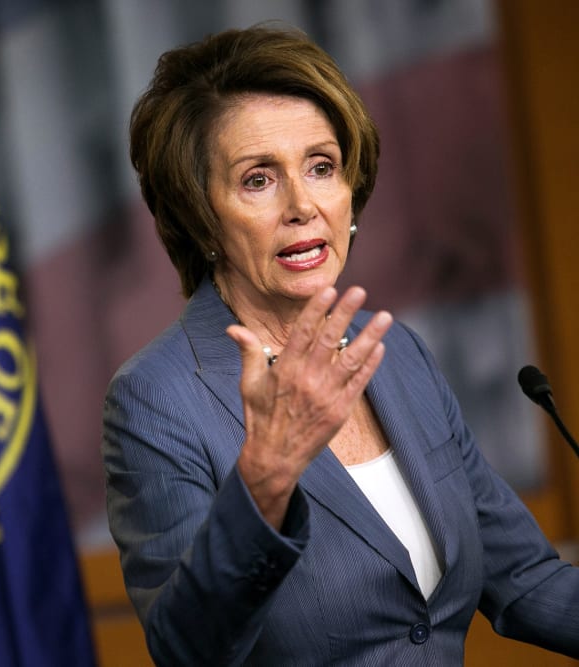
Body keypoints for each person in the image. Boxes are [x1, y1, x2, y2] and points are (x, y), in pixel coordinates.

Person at [101, 23, 579, 665]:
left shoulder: (397, 352)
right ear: (200, 216)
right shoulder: (157, 399)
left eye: (321, 167)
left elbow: (525, 578)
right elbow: (189, 649)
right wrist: (265, 481)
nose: (303, 205)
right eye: (258, 180)